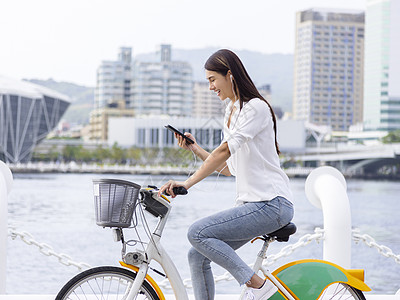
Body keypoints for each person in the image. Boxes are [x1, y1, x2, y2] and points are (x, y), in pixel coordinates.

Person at [158, 49, 294, 300]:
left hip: (271, 204)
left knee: (196, 233)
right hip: (254, 205)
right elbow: (228, 167)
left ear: (229, 75)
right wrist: (194, 148)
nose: (210, 87)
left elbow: (222, 151)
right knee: (196, 256)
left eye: (212, 79)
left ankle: (258, 285)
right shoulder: (231, 111)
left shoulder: (256, 108)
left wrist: (187, 183)